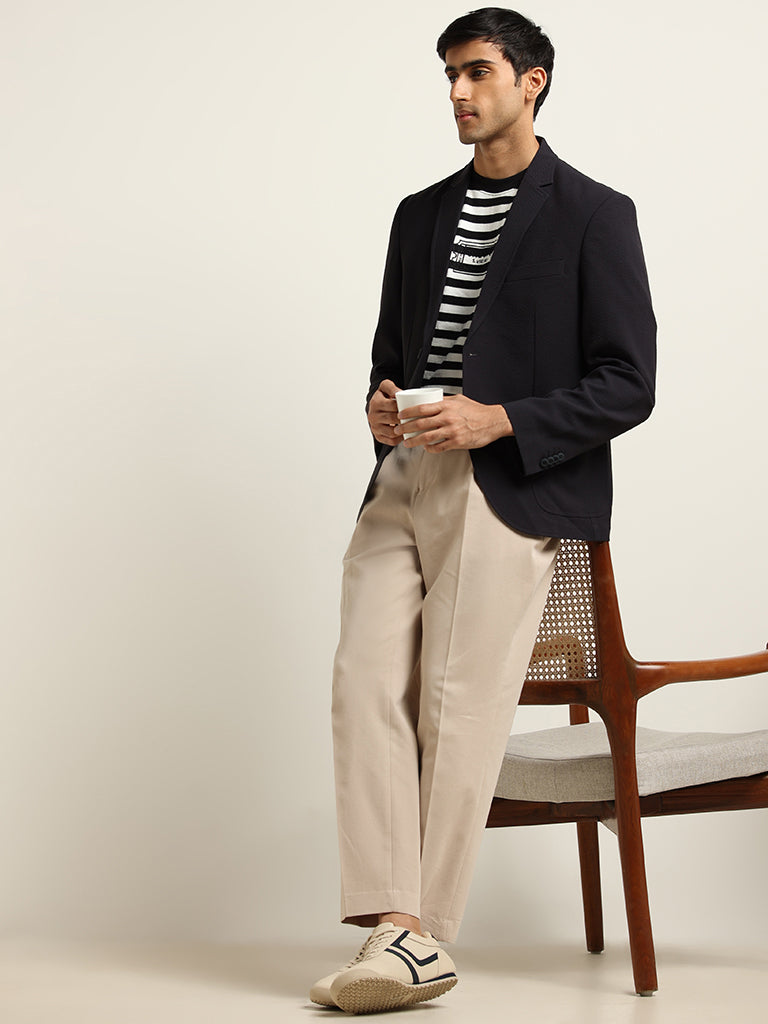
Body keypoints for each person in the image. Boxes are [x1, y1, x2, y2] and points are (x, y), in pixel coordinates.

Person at [311, 7, 656, 1015]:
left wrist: (500, 418)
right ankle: (390, 921)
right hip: (403, 479)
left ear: (532, 81)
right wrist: (383, 402)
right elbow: (393, 351)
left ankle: (413, 936)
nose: (458, 93)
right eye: (448, 76)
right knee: (362, 685)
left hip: (508, 485)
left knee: (458, 706)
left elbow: (627, 383)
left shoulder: (593, 213)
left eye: (477, 73)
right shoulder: (419, 214)